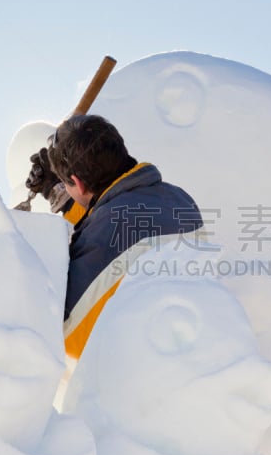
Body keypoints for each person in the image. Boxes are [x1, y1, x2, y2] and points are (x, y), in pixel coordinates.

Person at [26, 114, 204, 360]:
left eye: (67, 184)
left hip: (148, 371)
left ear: (77, 182)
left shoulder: (104, 239)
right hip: (194, 339)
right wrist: (59, 190)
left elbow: (68, 338)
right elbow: (114, 216)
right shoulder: (179, 200)